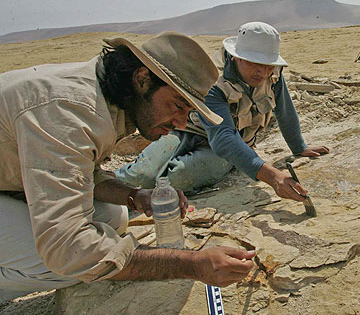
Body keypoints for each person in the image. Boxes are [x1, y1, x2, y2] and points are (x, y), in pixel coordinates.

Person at [0, 32, 255, 303]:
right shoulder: (70, 112)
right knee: (70, 264)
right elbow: (67, 248)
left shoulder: (107, 99)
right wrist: (190, 264)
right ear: (142, 79)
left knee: (115, 216)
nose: (181, 123)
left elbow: (77, 171)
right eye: (177, 105)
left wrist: (135, 196)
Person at [116, 22, 329, 201]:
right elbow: (222, 135)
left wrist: (299, 147)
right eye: (255, 63)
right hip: (188, 132)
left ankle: (238, 162)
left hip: (229, 149)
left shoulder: (273, 75)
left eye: (268, 65)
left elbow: (285, 110)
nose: (262, 72)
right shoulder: (213, 80)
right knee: (138, 176)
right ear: (236, 56)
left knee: (178, 178)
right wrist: (272, 177)